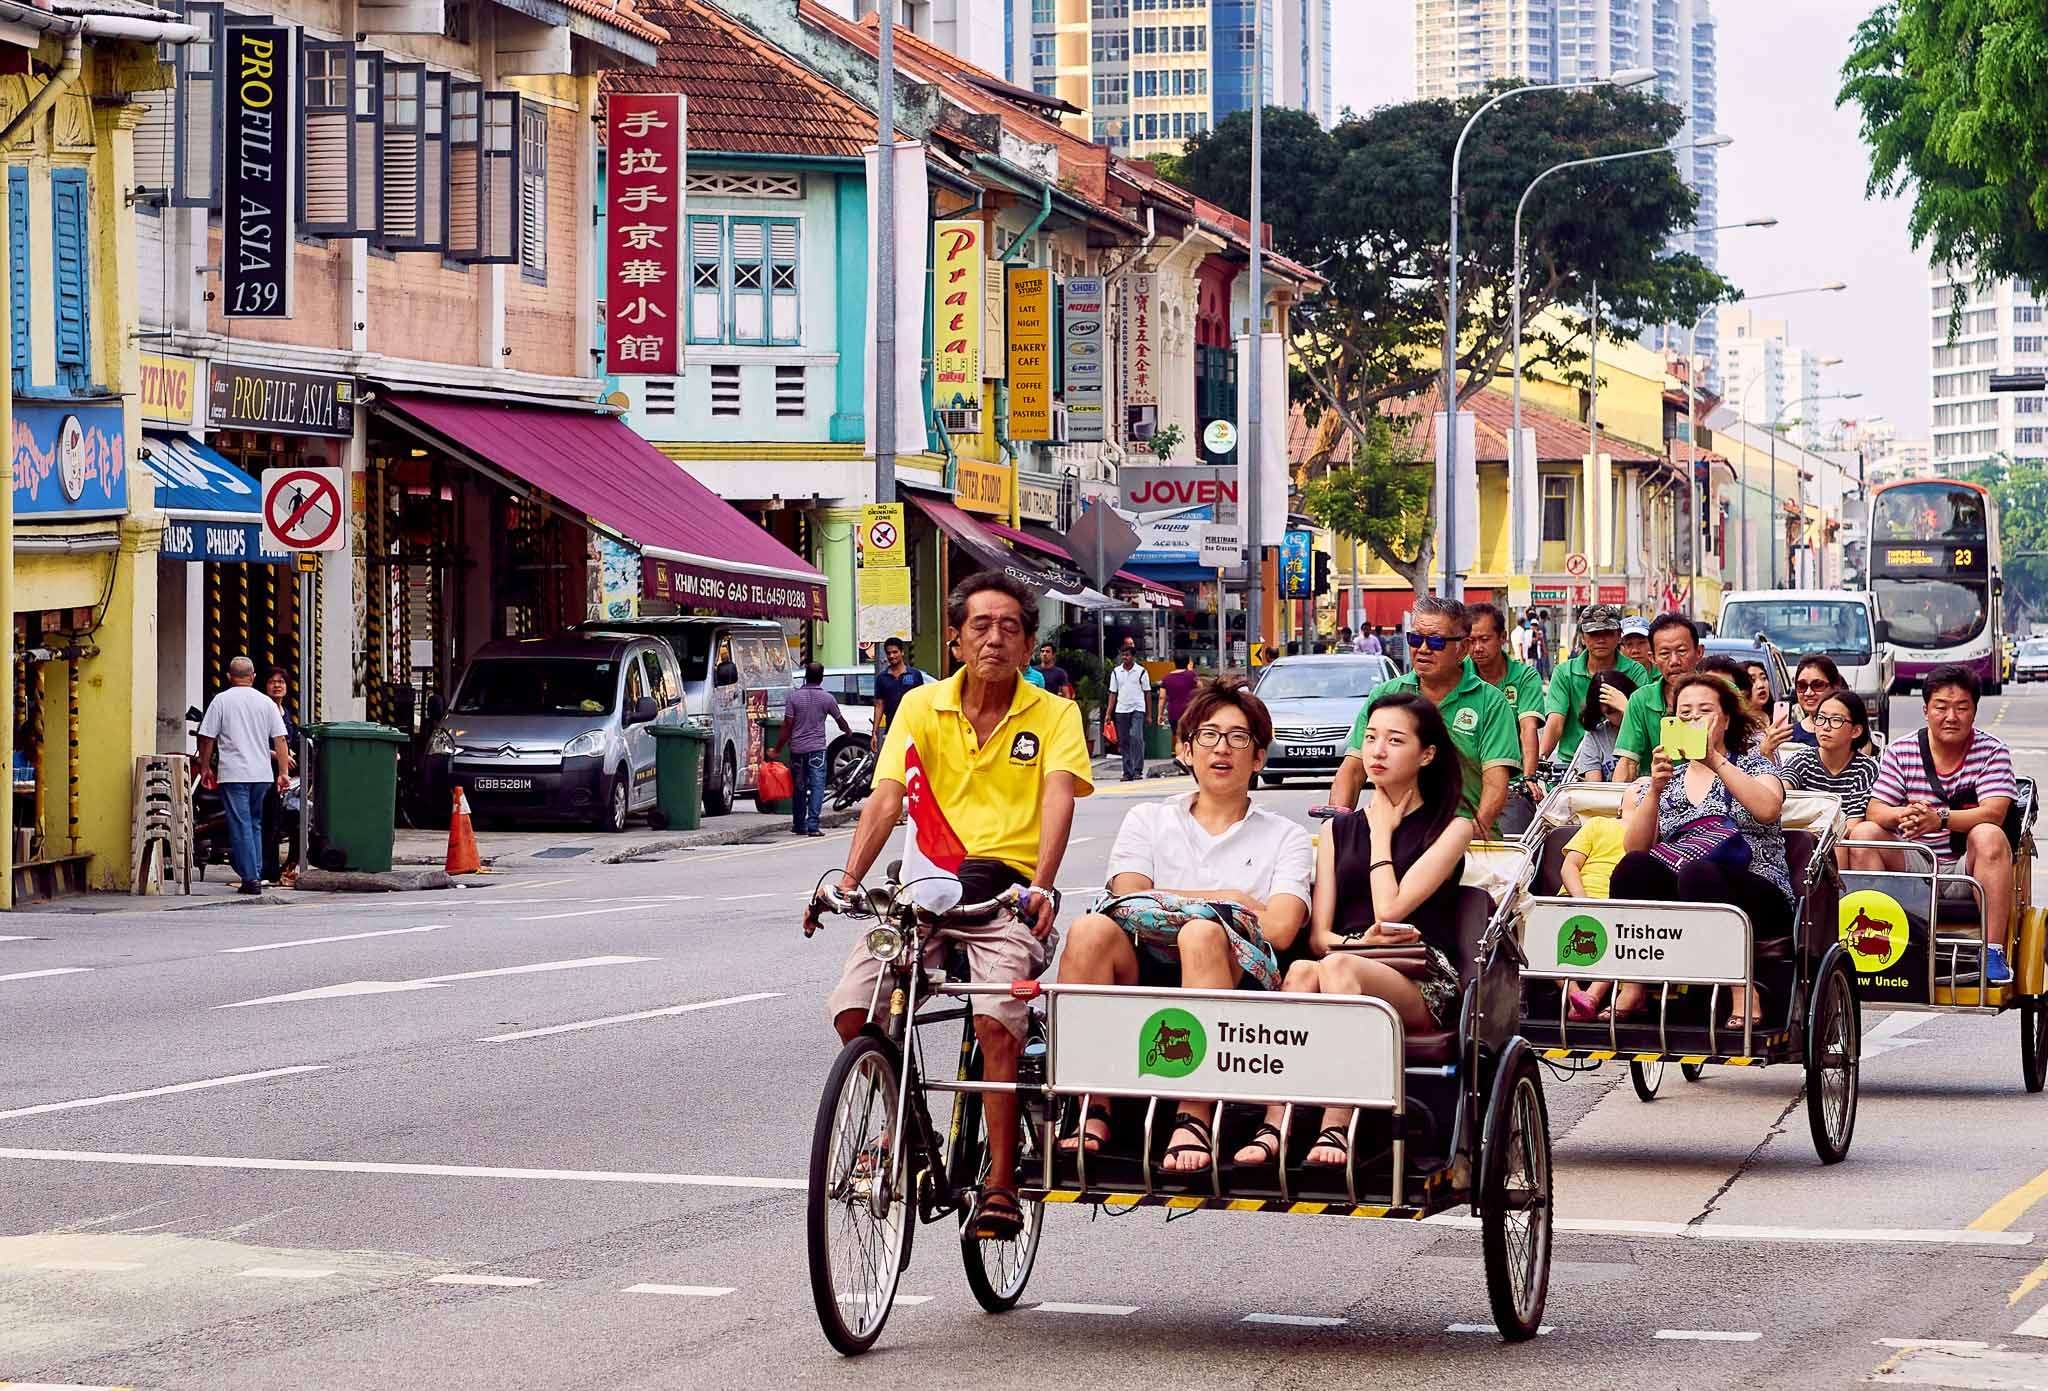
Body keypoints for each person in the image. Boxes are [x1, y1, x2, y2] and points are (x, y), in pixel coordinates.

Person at [815, 571, 1090, 1239]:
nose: (994, 638)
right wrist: (846, 879)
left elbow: (1058, 797)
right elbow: (886, 799)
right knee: (857, 1006)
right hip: (926, 890)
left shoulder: (1054, 713)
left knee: (997, 1021)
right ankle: (901, 1125)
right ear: (957, 641)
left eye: (1010, 628)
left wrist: (1045, 885)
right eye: (980, 627)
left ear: (1028, 647)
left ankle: (1000, 1181)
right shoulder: (920, 707)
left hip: (1006, 892)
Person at [1058, 678, 1312, 1170]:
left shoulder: (1287, 836)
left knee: (1200, 933)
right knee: (1089, 931)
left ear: (1258, 758)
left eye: (1239, 738)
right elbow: (1126, 893)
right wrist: (1230, 899)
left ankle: (1193, 1116)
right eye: (1208, 736)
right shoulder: (1148, 819)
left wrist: (1192, 911)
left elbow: (1280, 929)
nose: (1222, 749)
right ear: (1184, 750)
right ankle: (1093, 1105)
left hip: (1238, 983)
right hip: (1143, 965)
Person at [1238, 693, 1474, 1168]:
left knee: (1337, 966)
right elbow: (1320, 934)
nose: (1377, 751)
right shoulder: (1338, 830)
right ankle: (1276, 1120)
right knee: (1305, 969)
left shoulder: (1453, 827)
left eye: (1394, 741)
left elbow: (1390, 909)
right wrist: (1357, 944)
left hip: (1419, 973)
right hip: (1346, 962)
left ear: (1426, 754)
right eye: (1370, 739)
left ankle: (1338, 1122)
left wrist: (1382, 832)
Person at [1611, 672, 1790, 1023]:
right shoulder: (1670, 780)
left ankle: (1742, 988)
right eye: (1685, 713)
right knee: (1633, 868)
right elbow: (1635, 846)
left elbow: (1768, 808)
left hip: (1756, 886)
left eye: (1704, 711)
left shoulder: (1753, 765)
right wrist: (1656, 791)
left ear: (1724, 718)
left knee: (1700, 873)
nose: (1694, 719)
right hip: (1687, 886)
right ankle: (1633, 986)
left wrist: (1714, 761)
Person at [1850, 665, 2017, 984]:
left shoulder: (1992, 751)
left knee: (1989, 835)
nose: (1951, 716)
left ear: (1974, 711)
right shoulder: (1902, 750)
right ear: (1926, 710)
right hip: (1915, 863)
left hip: (1965, 867)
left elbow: (1994, 812)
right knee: (1864, 835)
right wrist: (1904, 815)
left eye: (1961, 707)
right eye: (1941, 707)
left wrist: (1938, 819)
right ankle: (1882, 941)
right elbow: (1876, 810)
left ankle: (1993, 949)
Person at [1328, 596, 1520, 835]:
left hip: (1467, 843)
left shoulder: (1490, 703)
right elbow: (1353, 769)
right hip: (1394, 838)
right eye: (1416, 639)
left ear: (1463, 648)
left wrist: (1470, 837)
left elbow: (1495, 783)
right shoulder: (1387, 695)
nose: (1423, 649)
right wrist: (1336, 830)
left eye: (1436, 642)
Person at [196, 656, 291, 896]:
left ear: (229, 677)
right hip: (261, 774)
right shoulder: (266, 703)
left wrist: (205, 766)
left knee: (241, 824)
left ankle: (250, 879)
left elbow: (207, 737)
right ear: (253, 677)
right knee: (255, 822)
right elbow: (281, 739)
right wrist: (283, 772)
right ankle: (255, 873)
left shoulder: (221, 701)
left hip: (234, 773)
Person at [1540, 605, 1653, 768]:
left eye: (1607, 633)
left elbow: (1642, 719)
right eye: (1593, 634)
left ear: (1619, 636)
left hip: (1623, 759)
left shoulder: (1636, 672)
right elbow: (1556, 721)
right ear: (1583, 638)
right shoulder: (1565, 673)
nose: (1601, 640)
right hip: (1571, 763)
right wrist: (1540, 759)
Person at [1781, 688, 1880, 862]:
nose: (1825, 727)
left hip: (1842, 843)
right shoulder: (1802, 759)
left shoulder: (1866, 768)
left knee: (1836, 843)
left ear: (1856, 731)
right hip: (1804, 842)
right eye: (1821, 718)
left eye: (1836, 720)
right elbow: (1781, 791)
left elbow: (1853, 824)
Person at [1612, 613, 1706, 783]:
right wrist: (1619, 802)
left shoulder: (1725, 693)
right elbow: (1627, 763)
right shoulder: (1640, 700)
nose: (1674, 661)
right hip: (1659, 796)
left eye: (1682, 651)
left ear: (1699, 652)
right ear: (1653, 658)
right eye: (1664, 654)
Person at [1559, 814, 1628, 1020]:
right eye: (1636, 785)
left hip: (1620, 899)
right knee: (1547, 934)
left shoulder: (1656, 828)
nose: (1641, 786)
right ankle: (1575, 995)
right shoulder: (1598, 824)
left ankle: (1592, 996)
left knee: (1625, 938)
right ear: (1619, 806)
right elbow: (1569, 866)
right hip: (1579, 894)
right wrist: (1582, 899)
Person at [1466, 602, 1545, 778]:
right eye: (1471, 641)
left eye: (1485, 640)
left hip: (1512, 779)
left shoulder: (1525, 676)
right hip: (1467, 781)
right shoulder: (1456, 674)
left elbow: (1528, 728)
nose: (1477, 648)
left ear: (1503, 637)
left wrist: (1529, 778)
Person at [774, 663, 851, 837]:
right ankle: (813, 825)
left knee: (799, 787)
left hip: (798, 749)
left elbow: (787, 725)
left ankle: (799, 824)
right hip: (817, 750)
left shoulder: (794, 697)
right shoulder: (827, 698)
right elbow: (840, 720)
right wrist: (848, 731)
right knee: (817, 786)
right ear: (822, 678)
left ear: (805, 677)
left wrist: (778, 748)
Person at [259, 666, 302, 887]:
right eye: (272, 682)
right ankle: (267, 870)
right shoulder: (263, 710)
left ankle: (279, 868)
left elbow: (288, 740)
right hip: (265, 772)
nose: (277, 685)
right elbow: (256, 742)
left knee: (283, 821)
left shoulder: (286, 712)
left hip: (284, 776)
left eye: (281, 682)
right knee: (269, 822)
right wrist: (279, 756)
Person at [1560, 669, 1638, 783]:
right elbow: (1594, 789)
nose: (1618, 717)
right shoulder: (1594, 737)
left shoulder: (1648, 726)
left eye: (1619, 709)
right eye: (1610, 712)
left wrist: (1629, 713)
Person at [1762, 655, 1845, 759]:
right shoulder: (1787, 735)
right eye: (1802, 686)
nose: (1808, 692)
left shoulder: (1849, 729)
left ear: (1835, 687)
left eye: (1817, 685)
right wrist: (1766, 751)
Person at [871, 637, 925, 747]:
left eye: (895, 652)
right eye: (889, 653)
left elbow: (922, 702)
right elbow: (879, 705)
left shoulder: (915, 675)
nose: (892, 656)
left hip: (913, 730)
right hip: (892, 730)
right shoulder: (882, 678)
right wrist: (874, 733)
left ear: (902, 652)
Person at [1109, 647, 1152, 782]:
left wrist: (1149, 714)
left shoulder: (1141, 671)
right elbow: (1113, 693)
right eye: (1123, 655)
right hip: (1121, 709)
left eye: (1127, 655)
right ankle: (1127, 771)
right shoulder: (1116, 672)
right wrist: (1108, 713)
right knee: (1124, 741)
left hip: (1137, 708)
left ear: (1133, 656)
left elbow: (1147, 692)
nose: (1125, 657)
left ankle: (1138, 769)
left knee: (1136, 736)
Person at [1159, 654, 1200, 733]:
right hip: (1189, 713)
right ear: (1188, 662)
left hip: (1173, 713)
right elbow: (1201, 690)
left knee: (1176, 736)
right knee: (1189, 737)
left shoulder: (1166, 678)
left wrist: (1160, 715)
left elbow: (1162, 697)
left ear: (1174, 662)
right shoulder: (1192, 675)